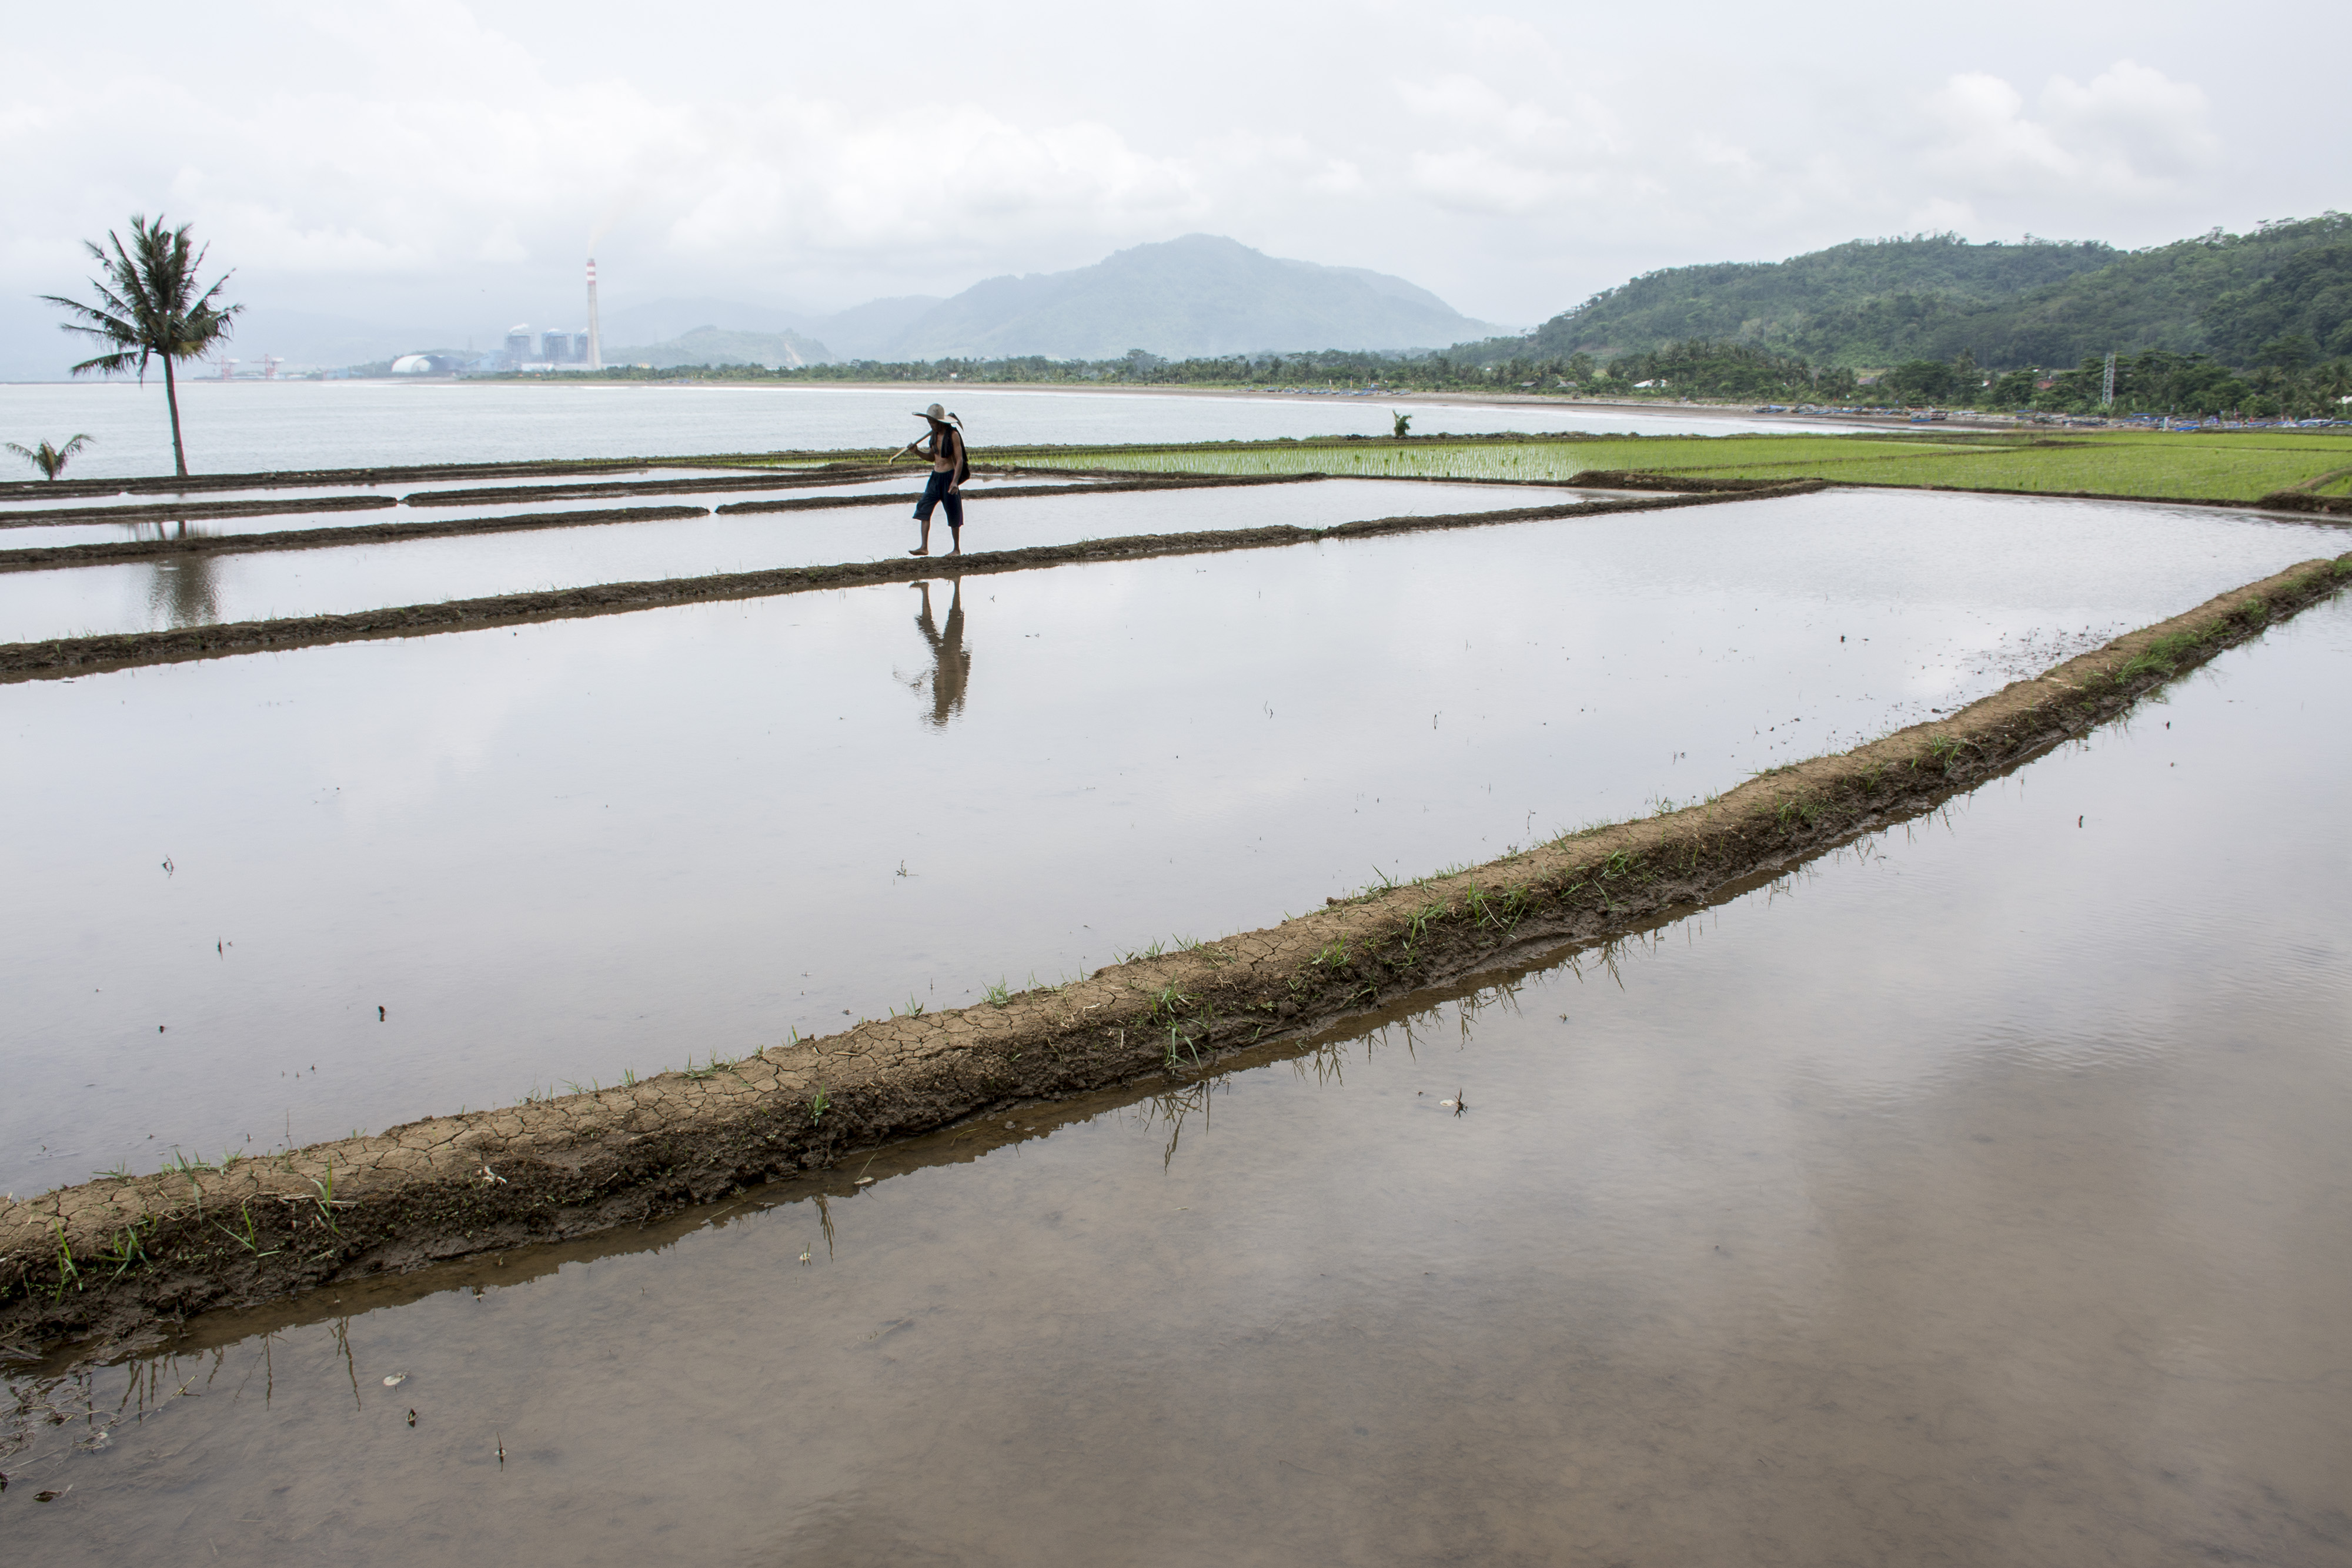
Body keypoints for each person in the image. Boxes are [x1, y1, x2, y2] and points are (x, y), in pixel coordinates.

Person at [898, 403, 970, 556]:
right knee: (924, 508)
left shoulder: (953, 436)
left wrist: (955, 482)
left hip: (949, 477)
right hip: (935, 478)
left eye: (933, 423)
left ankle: (956, 549)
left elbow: (960, 460)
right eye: (929, 422)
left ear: (941, 422)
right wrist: (917, 452)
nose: (931, 425)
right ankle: (924, 547)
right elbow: (932, 457)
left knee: (954, 513)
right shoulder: (934, 435)